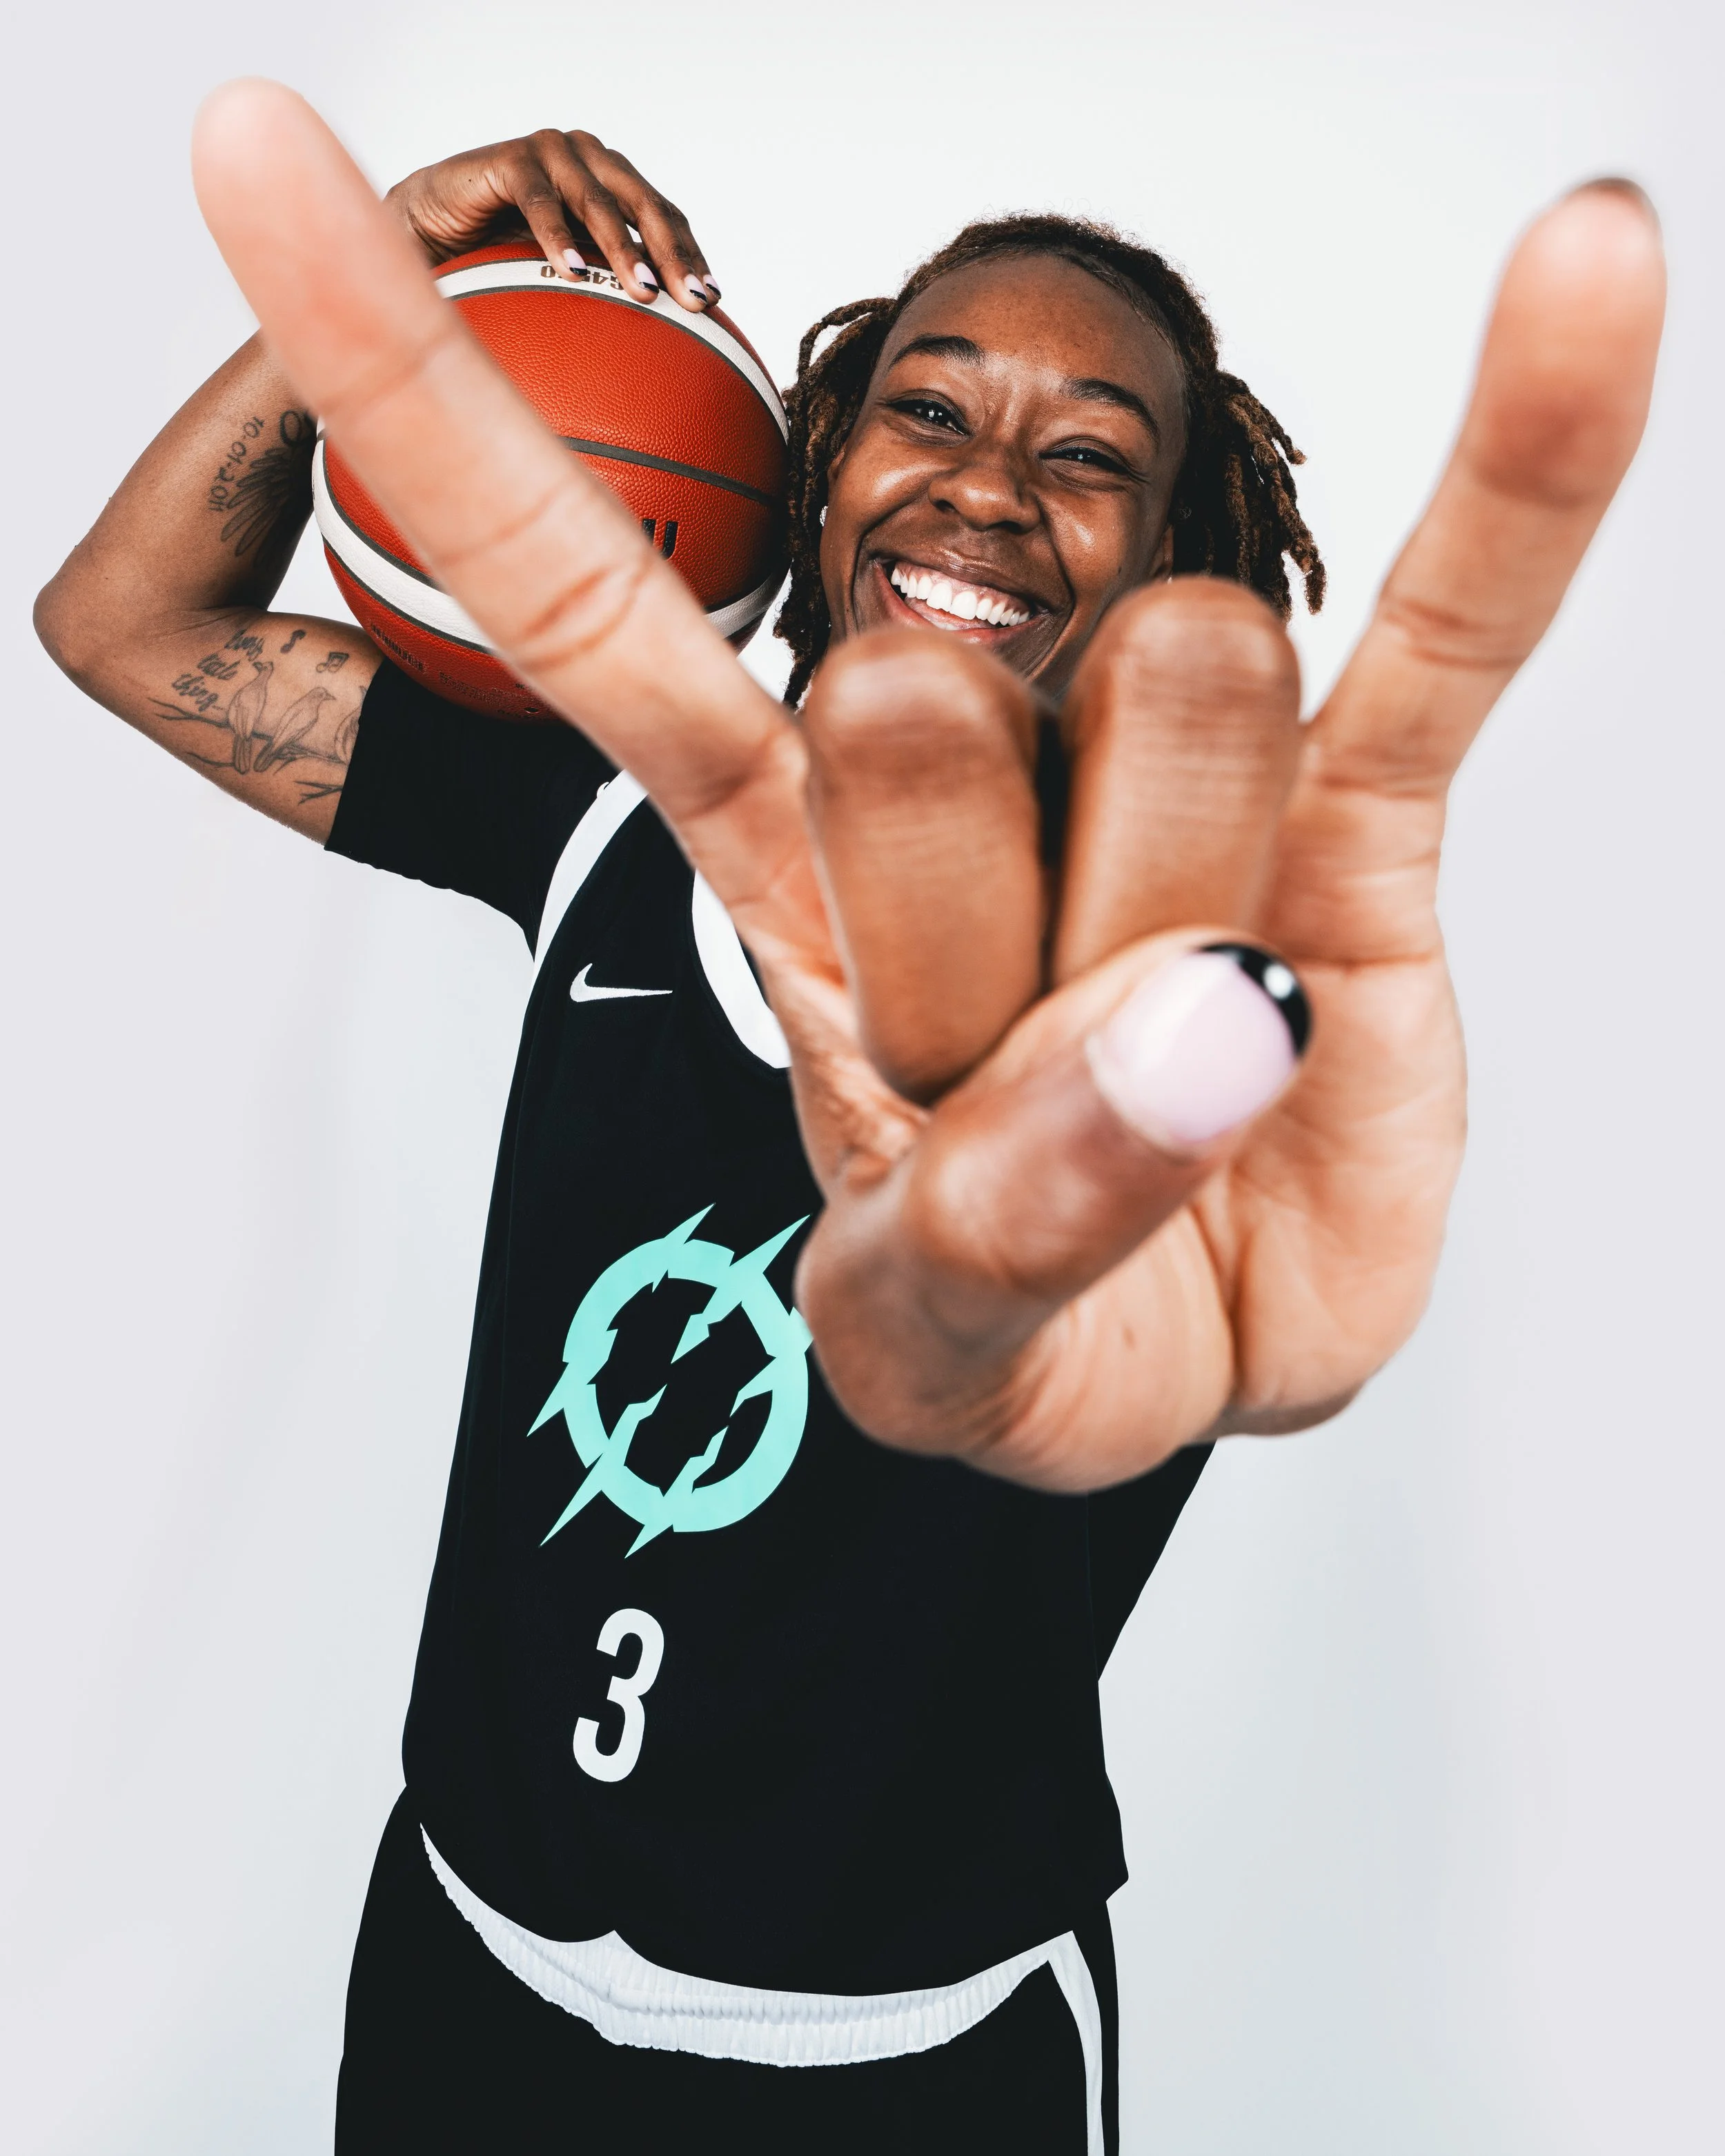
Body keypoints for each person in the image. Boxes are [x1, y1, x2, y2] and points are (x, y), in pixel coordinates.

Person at [34, 91, 1663, 2155]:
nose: (987, 490)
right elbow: (125, 627)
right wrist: (373, 278)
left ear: (1176, 559)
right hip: (466, 1954)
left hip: (898, 2056)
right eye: (931, 412)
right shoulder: (605, 818)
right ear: (814, 482)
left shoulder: (1185, 995)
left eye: (1091, 456)